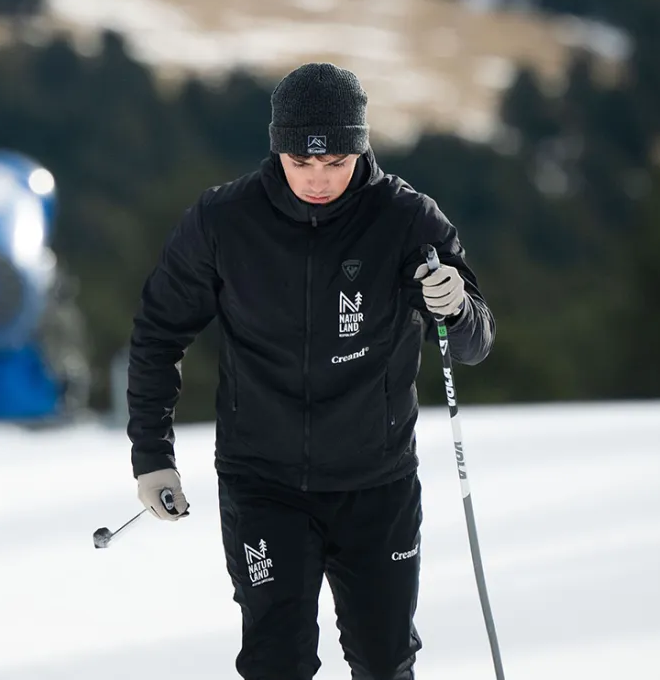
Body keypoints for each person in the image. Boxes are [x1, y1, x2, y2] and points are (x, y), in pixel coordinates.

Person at [126, 62, 496, 679]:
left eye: (335, 163)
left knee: (384, 661)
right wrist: (152, 455)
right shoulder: (224, 221)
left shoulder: (407, 220)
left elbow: (475, 342)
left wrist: (455, 306)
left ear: (361, 146)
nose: (318, 179)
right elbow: (158, 332)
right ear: (278, 150)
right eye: (302, 163)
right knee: (278, 662)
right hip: (262, 481)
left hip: (375, 483)